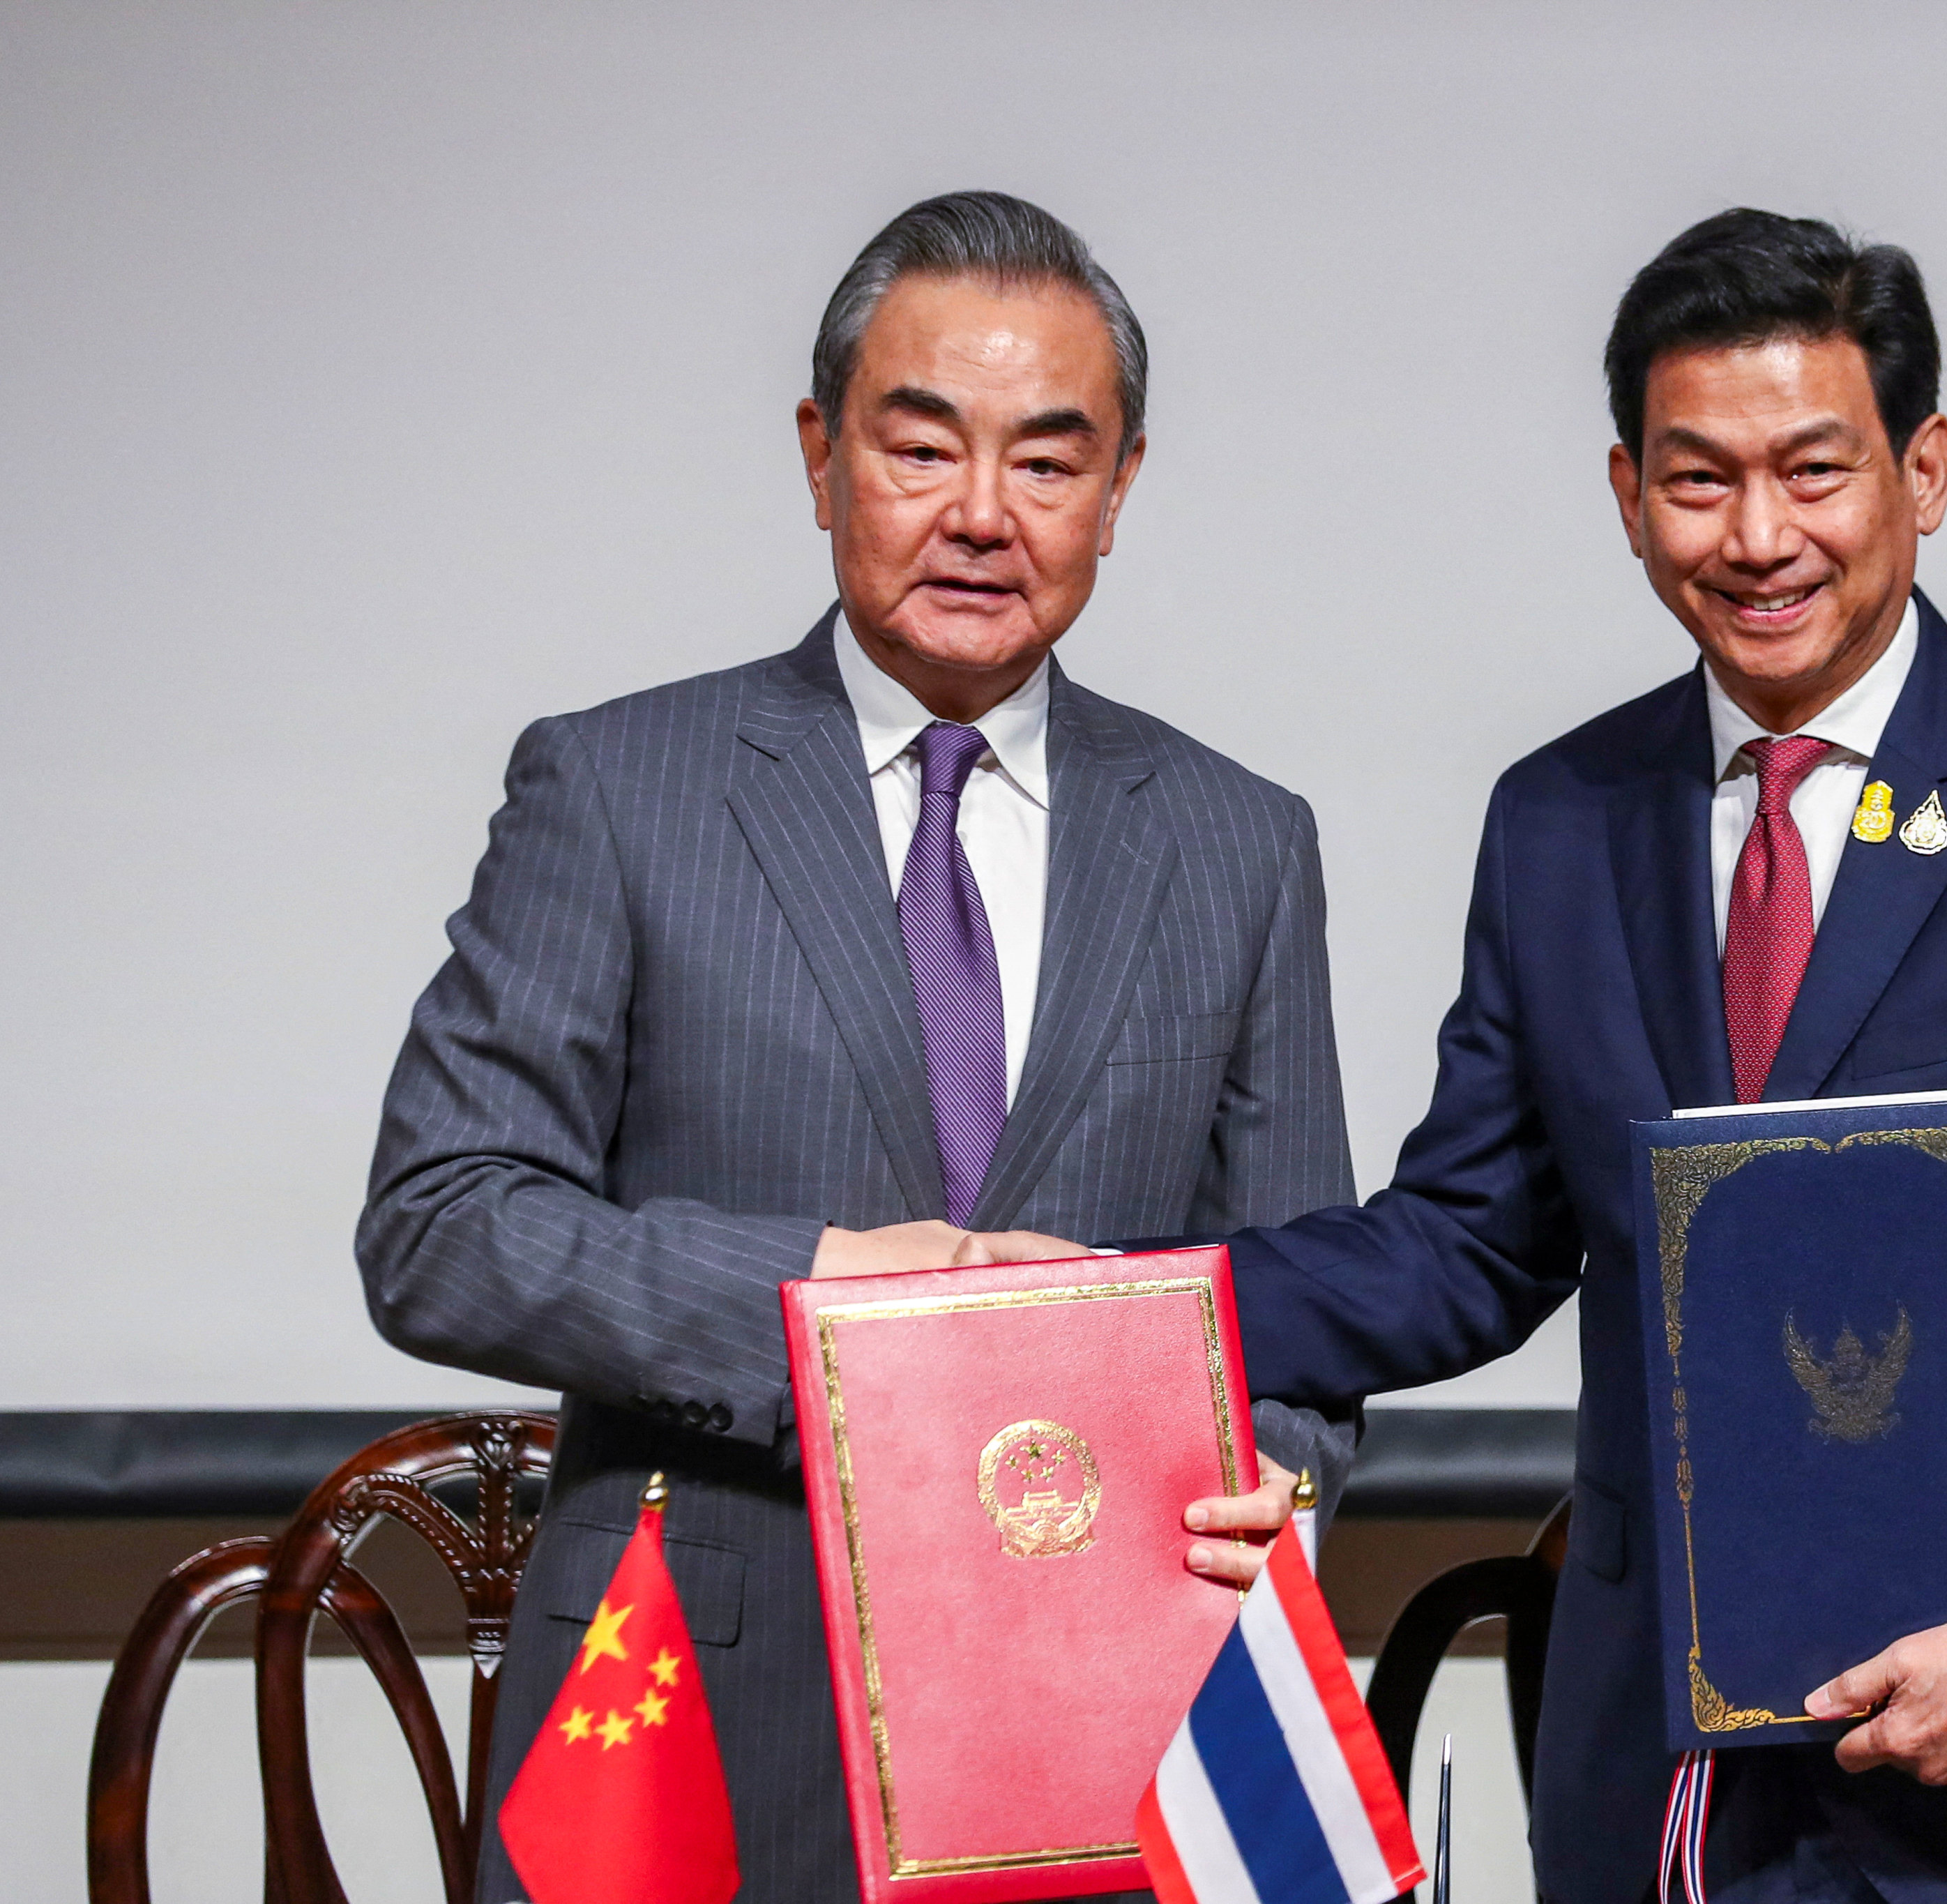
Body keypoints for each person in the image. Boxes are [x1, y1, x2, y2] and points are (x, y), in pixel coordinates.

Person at [997, 209, 1947, 1902]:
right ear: (1626, 495)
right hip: (1658, 1771)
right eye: (1697, 478)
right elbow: (1469, 1244)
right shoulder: (1559, 818)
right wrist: (1088, 1307)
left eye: (1815, 470)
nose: (1759, 535)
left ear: (1920, 472)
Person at [357, 190, 1354, 1901]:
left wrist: (1280, 1466)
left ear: (1117, 492)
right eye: (919, 451)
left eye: (1047, 464)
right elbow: (439, 1223)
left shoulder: (1237, 842)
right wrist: (821, 1287)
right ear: (820, 457)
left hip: (1102, 1710)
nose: (981, 516)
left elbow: (1298, 1310)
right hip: (691, 1708)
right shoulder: (619, 790)